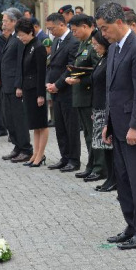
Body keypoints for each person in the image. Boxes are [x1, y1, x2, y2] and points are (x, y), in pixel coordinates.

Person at [95, 2, 136, 250]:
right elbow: (113, 91)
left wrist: (135, 127)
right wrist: (108, 122)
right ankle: (131, 225)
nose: (103, 33)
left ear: (120, 22)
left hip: (133, 129)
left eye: (105, 28)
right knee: (123, 181)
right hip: (117, 126)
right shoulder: (114, 49)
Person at [64, 14, 108, 181]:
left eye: (75, 30)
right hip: (81, 96)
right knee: (88, 136)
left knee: (94, 135)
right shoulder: (83, 43)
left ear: (85, 26)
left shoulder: (95, 43)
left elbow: (98, 73)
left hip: (90, 96)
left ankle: (100, 167)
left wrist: (79, 79)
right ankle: (91, 165)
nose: (74, 34)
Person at [45, 12, 80, 173]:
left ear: (61, 24)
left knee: (70, 127)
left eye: (52, 28)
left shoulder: (73, 42)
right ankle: (64, 157)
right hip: (55, 91)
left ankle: (74, 159)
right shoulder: (56, 41)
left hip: (67, 91)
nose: (51, 32)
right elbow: (52, 65)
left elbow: (71, 67)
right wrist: (49, 83)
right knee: (60, 127)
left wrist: (58, 85)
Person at [0, 7, 33, 163]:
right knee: (8, 118)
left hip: (14, 86)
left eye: (5, 21)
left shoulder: (19, 39)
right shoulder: (10, 37)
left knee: (18, 118)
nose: (3, 23)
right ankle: (17, 146)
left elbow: (20, 64)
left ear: (14, 22)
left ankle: (26, 149)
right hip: (7, 85)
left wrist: (19, 85)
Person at [15, 18, 49, 167]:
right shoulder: (27, 46)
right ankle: (35, 153)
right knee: (35, 125)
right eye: (19, 35)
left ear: (30, 32)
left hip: (36, 90)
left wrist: (41, 94)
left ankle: (40, 155)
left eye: (22, 34)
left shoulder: (39, 47)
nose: (20, 38)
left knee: (42, 124)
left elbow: (42, 72)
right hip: (28, 90)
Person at [89, 31, 116, 193]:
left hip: (106, 108)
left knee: (108, 145)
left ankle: (114, 178)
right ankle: (109, 177)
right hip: (98, 107)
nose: (94, 48)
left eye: (96, 44)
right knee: (103, 146)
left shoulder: (109, 60)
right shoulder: (102, 59)